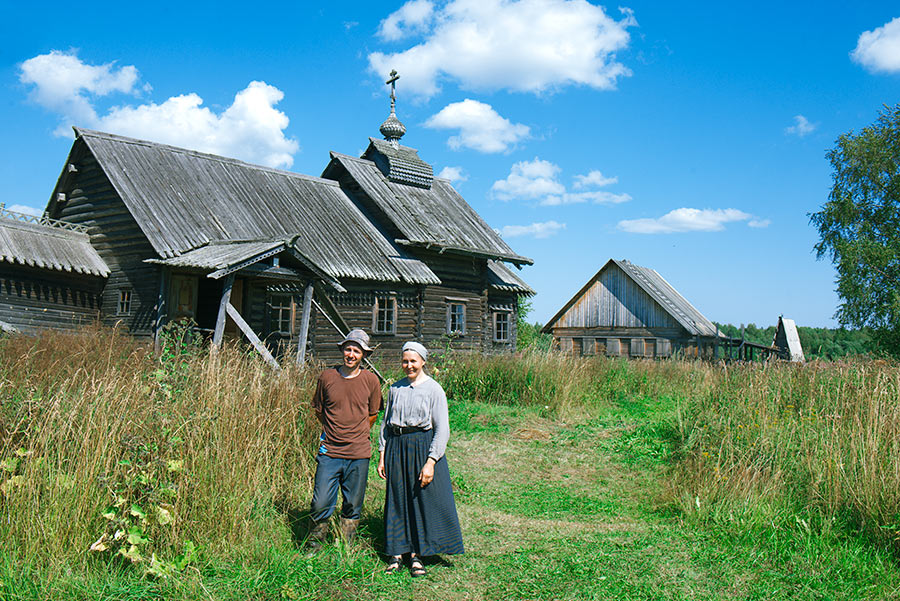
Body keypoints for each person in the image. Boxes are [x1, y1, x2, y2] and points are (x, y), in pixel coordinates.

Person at [377, 341, 464, 577]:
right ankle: (396, 552)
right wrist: (382, 454)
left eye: (413, 361)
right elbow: (385, 425)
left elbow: (442, 429)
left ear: (423, 362)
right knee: (397, 497)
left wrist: (431, 461)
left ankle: (416, 554)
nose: (408, 366)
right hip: (397, 445)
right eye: (405, 361)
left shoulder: (434, 389)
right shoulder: (395, 388)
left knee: (418, 498)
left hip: (420, 446)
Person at [306, 329, 383, 552]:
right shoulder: (327, 377)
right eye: (348, 349)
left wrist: (356, 434)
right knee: (320, 502)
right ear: (342, 350)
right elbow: (319, 410)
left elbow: (372, 414)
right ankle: (314, 546)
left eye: (356, 351)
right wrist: (334, 432)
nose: (351, 354)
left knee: (352, 504)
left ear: (363, 355)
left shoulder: (371, 381)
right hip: (329, 451)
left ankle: (346, 547)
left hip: (358, 453)